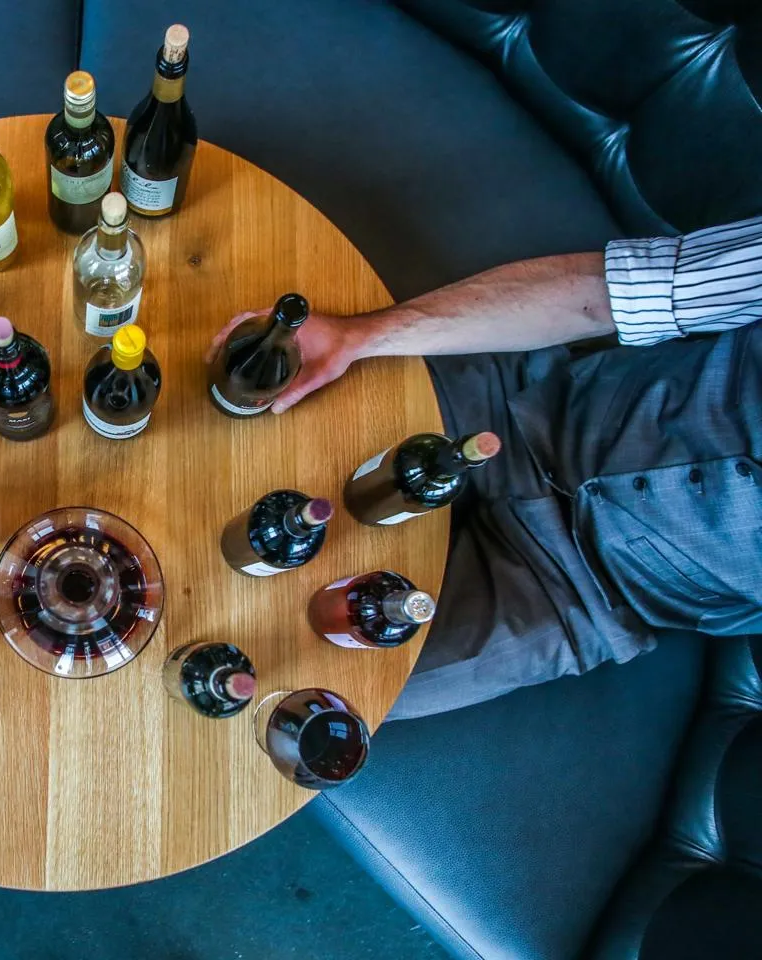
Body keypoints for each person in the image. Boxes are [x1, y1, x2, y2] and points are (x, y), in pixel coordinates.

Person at [212, 215, 762, 719]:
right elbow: (605, 293)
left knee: (299, 688)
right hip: (529, 410)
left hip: (581, 594)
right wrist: (362, 336)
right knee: (246, 449)